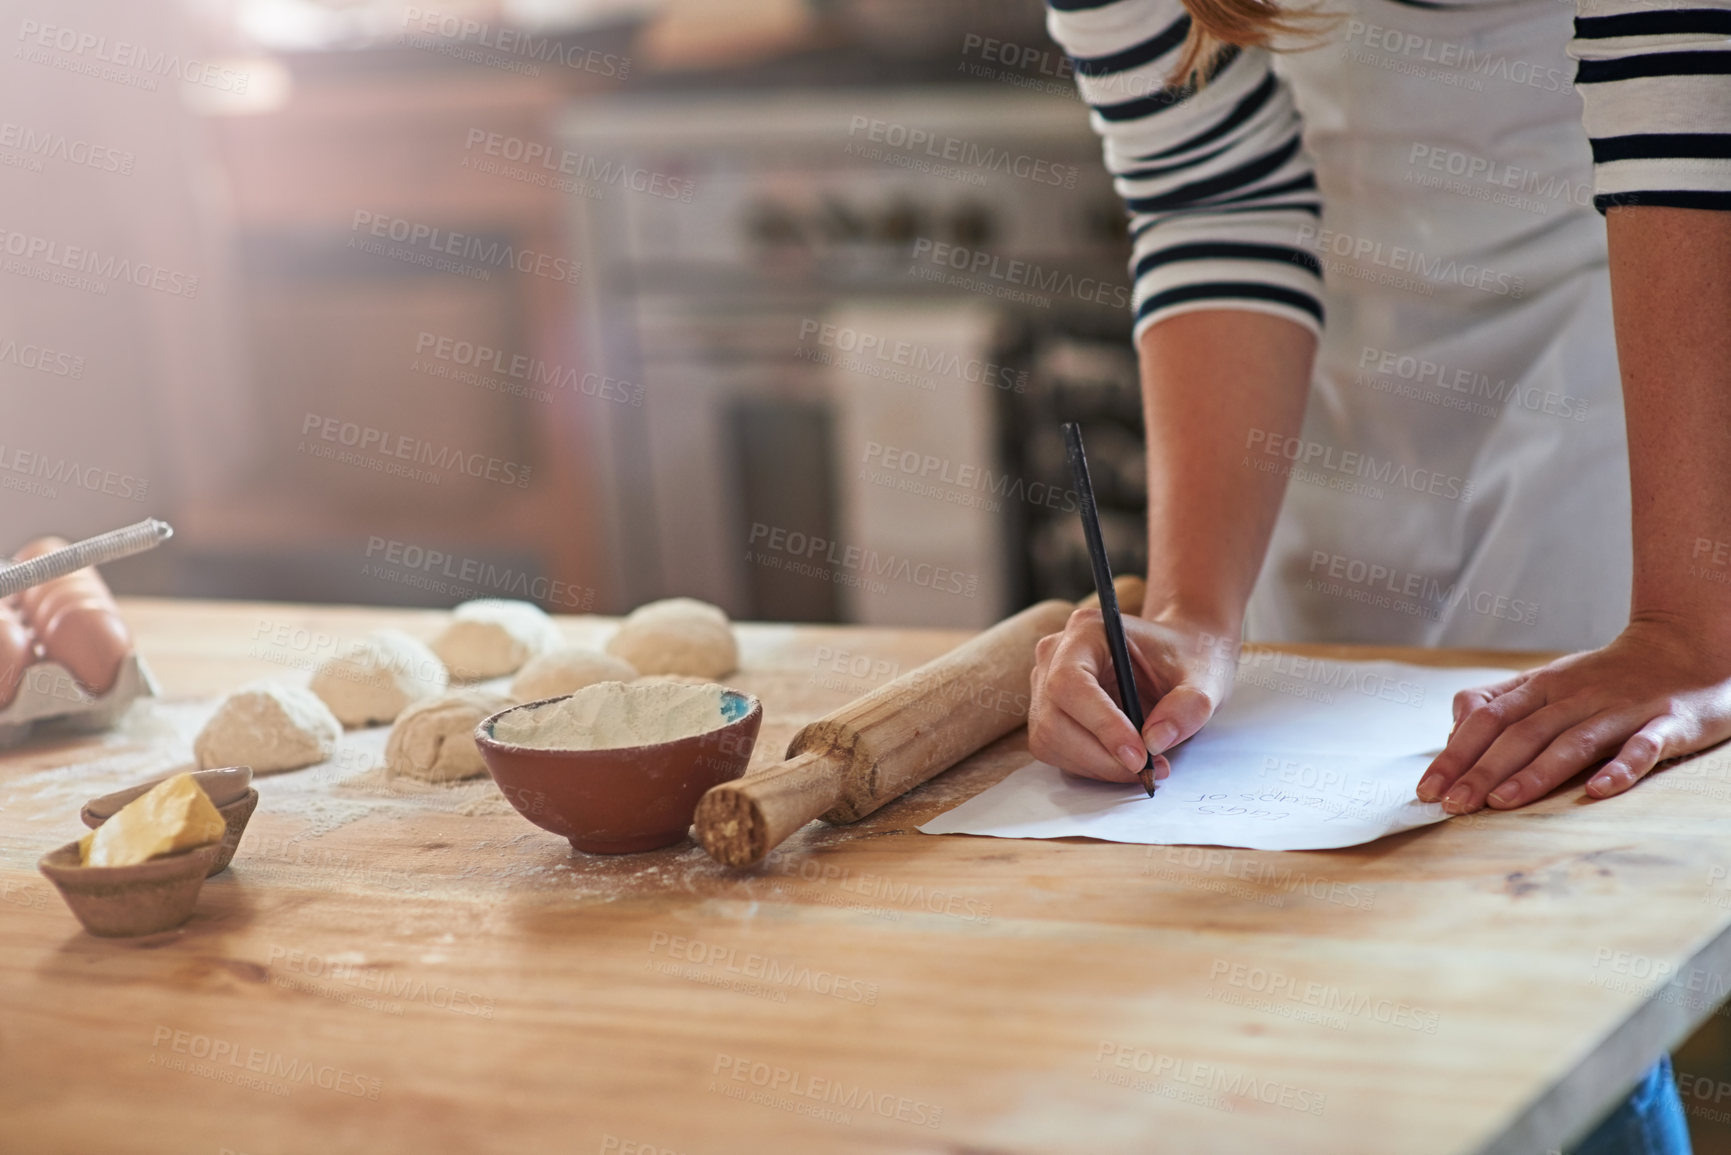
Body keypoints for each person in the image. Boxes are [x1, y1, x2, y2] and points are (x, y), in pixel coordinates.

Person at [1026, 0, 1728, 1149]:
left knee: (1524, 947)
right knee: (1324, 954)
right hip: (1317, 379)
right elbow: (1217, 197)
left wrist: (1693, 622)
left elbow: (1690, 125)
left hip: (1632, 338)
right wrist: (1193, 609)